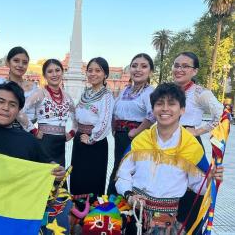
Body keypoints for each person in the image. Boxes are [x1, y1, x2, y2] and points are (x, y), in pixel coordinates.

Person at [115, 83, 224, 234]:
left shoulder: (190, 146)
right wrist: (129, 195)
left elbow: (200, 188)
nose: (165, 108)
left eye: (171, 104)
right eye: (159, 104)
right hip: (133, 214)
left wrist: (211, 179)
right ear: (153, 109)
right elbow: (123, 175)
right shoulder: (141, 140)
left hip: (167, 221)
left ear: (182, 110)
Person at [172, 52, 223, 232]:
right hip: (167, 142)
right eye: (176, 65)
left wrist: (196, 131)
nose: (179, 69)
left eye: (185, 66)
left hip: (190, 144)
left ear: (194, 71)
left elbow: (222, 114)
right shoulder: (167, 89)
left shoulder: (200, 92)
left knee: (191, 191)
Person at [107, 53, 155, 195]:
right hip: (121, 137)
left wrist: (137, 131)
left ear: (150, 71)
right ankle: (112, 204)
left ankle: (127, 205)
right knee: (118, 167)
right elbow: (115, 111)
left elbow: (153, 114)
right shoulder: (125, 90)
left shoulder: (150, 92)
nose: (138, 69)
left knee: (129, 170)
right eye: (134, 66)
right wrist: (114, 128)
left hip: (136, 139)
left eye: (143, 66)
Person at [17, 59, 77, 167]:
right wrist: (33, 130)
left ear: (62, 72)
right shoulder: (40, 93)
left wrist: (72, 133)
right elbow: (19, 111)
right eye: (50, 71)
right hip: (44, 141)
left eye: (57, 70)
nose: (54, 74)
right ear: (44, 75)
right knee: (45, 176)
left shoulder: (67, 97)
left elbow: (76, 119)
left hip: (60, 143)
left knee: (58, 178)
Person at [70, 57, 114, 196]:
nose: (93, 74)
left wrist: (91, 139)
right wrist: (74, 132)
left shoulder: (106, 96)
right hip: (79, 141)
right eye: (90, 70)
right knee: (77, 176)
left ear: (105, 74)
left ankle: (91, 214)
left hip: (95, 143)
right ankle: (76, 212)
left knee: (92, 179)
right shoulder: (85, 93)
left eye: (98, 70)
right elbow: (77, 115)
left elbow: (105, 121)